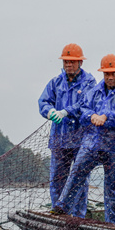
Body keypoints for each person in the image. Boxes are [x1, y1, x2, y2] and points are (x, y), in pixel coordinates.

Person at [52, 54, 115, 223]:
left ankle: (112, 223)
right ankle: (62, 208)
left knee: (112, 186)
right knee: (76, 173)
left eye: (114, 73)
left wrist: (105, 116)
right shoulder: (95, 90)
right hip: (91, 143)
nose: (110, 77)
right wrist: (92, 117)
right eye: (107, 74)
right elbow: (83, 110)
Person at [38, 44, 96, 216]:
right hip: (59, 139)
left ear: (80, 63)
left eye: (72, 62)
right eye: (66, 61)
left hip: (81, 140)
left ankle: (78, 217)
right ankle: (59, 214)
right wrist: (49, 111)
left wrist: (66, 112)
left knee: (79, 179)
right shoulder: (55, 82)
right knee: (57, 179)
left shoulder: (89, 81)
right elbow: (43, 101)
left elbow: (87, 103)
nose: (69, 65)